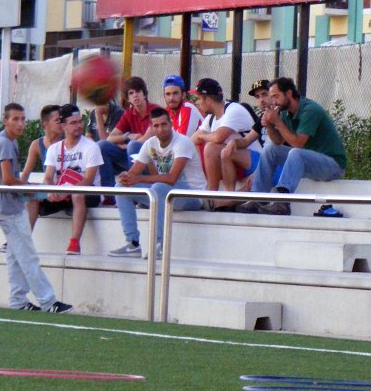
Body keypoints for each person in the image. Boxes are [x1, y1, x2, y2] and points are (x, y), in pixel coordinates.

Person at [0, 102, 72, 313]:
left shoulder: (8, 141)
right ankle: (48, 301)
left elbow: (10, 179)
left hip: (8, 205)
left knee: (15, 256)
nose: (20, 123)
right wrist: (30, 188)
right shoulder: (6, 143)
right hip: (9, 208)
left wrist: (28, 188)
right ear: (5, 121)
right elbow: (8, 179)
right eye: (15, 119)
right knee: (27, 255)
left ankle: (18, 300)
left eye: (23, 119)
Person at [237, 77, 346, 216]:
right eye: (272, 97)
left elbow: (298, 143)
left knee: (296, 152)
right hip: (310, 163)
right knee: (270, 150)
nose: (273, 101)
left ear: (288, 93)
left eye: (276, 96)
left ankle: (283, 202)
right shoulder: (285, 112)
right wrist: (269, 125)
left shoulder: (310, 110)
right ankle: (258, 198)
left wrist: (278, 122)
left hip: (333, 165)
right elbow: (278, 141)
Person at [108, 106, 207, 258]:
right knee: (121, 188)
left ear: (171, 124)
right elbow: (133, 173)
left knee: (158, 187)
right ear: (151, 127)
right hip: (163, 194)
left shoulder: (182, 142)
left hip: (192, 196)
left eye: (164, 124)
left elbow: (171, 178)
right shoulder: (150, 144)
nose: (160, 129)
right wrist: (125, 177)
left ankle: (160, 245)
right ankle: (132, 243)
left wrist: (139, 178)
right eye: (156, 126)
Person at [190, 77, 263, 211]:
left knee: (211, 148)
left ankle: (213, 195)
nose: (197, 103)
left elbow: (218, 137)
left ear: (208, 100)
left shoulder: (233, 110)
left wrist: (203, 136)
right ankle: (212, 196)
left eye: (199, 99)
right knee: (206, 148)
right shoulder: (211, 118)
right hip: (232, 163)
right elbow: (191, 141)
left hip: (255, 162)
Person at [40, 103, 103, 255]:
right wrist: (51, 190)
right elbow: (48, 177)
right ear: (63, 126)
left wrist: (66, 191)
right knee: (32, 197)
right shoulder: (54, 149)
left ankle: (75, 243)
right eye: (73, 123)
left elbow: (89, 180)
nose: (79, 126)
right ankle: (22, 242)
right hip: (64, 191)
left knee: (77, 194)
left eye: (80, 121)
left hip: (89, 192)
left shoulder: (91, 147)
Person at [95, 76, 160, 194]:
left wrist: (125, 145)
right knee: (101, 145)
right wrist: (127, 136)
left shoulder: (155, 110)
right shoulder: (129, 114)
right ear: (128, 98)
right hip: (133, 156)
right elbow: (109, 138)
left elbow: (143, 141)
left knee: (133, 146)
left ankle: (133, 189)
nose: (135, 95)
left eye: (138, 91)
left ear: (144, 94)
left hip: (153, 159)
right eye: (131, 93)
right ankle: (109, 194)